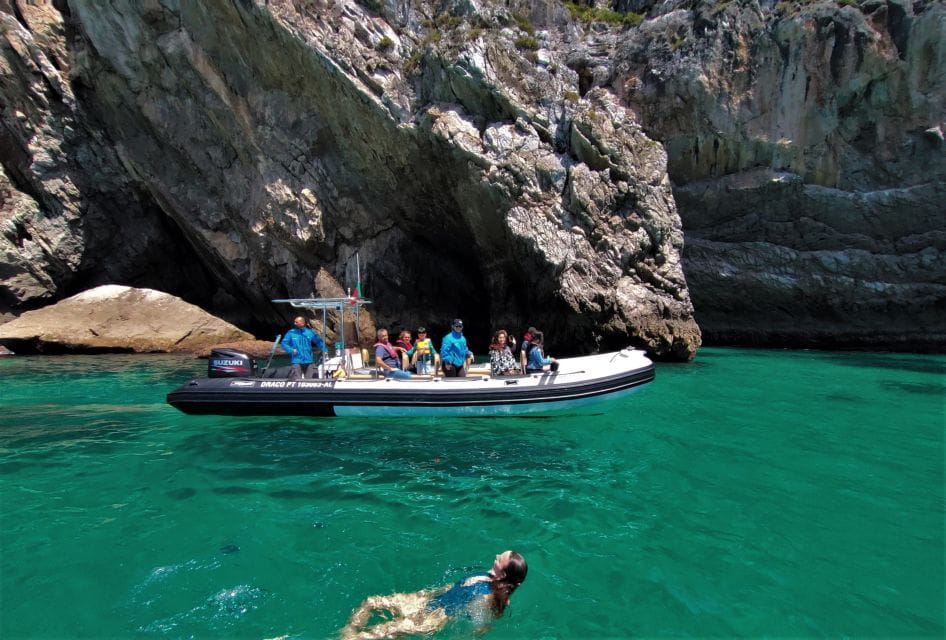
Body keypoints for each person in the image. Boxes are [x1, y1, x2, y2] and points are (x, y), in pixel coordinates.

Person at [340, 550, 527, 640]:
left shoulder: (491, 602)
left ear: (503, 574)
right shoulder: (488, 577)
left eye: (499, 559)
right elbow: (452, 588)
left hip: (432, 618)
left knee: (373, 634)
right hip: (428, 600)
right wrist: (424, 595)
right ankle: (348, 629)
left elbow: (479, 628)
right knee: (372, 602)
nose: (495, 556)